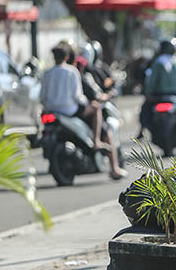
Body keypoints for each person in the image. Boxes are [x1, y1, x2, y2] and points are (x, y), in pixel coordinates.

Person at [40, 44, 125, 180]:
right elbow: (78, 96)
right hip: (70, 111)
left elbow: (42, 97)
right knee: (96, 107)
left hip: (52, 111)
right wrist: (87, 102)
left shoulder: (47, 73)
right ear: (67, 57)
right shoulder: (72, 71)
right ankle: (98, 143)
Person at [137, 37, 176, 138]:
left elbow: (151, 81)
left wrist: (148, 94)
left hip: (158, 97)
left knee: (145, 111)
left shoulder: (157, 62)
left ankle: (142, 132)